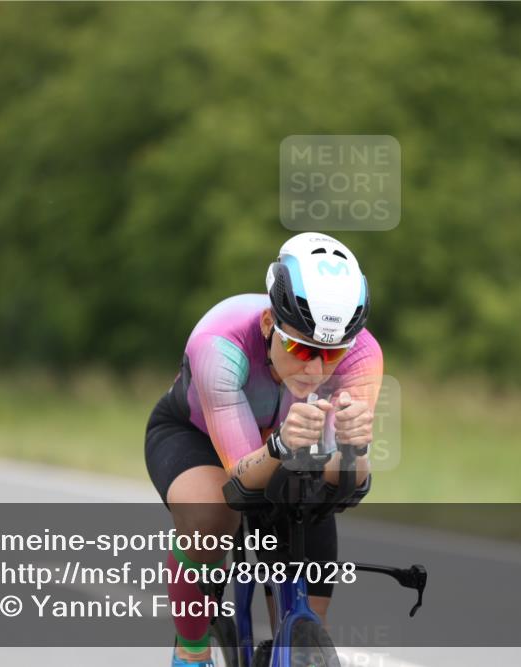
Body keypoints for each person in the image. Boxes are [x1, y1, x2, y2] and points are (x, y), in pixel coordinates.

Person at [145, 232, 383, 666]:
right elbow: (241, 482)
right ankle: (191, 650)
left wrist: (354, 448)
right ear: (269, 324)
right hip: (195, 436)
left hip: (292, 443)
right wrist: (277, 446)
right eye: (300, 347)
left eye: (331, 355)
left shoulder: (363, 356)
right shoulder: (219, 343)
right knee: (212, 515)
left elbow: (345, 487)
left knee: (308, 617)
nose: (314, 369)